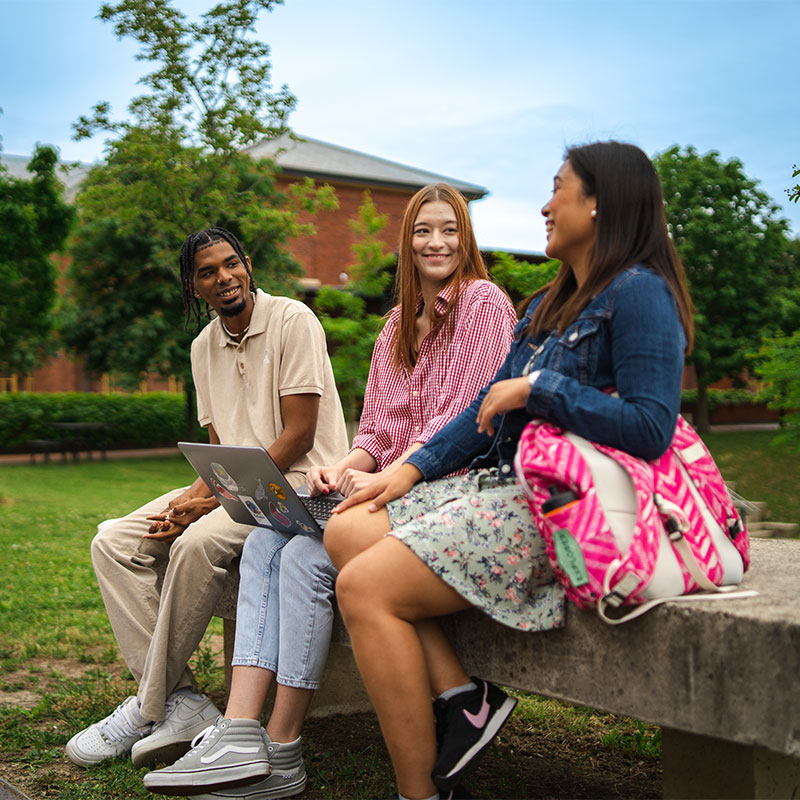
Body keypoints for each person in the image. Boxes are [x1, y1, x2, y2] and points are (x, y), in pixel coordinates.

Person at [324, 141, 695, 800]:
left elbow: (650, 429)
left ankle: (422, 792)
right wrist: (405, 474)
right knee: (347, 529)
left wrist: (539, 390)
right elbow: (477, 413)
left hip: (555, 508)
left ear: (598, 203)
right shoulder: (546, 306)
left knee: (365, 587)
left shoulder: (640, 294)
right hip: (495, 488)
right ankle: (464, 698)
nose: (546, 205)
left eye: (559, 189)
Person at [141, 183, 518, 799]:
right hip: (385, 489)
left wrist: (379, 476)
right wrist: (345, 467)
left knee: (301, 553)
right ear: (407, 240)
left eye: (450, 229)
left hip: (442, 490)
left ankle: (273, 744)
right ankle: (258, 740)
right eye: (423, 230)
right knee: (274, 543)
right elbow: (378, 426)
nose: (437, 242)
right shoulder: (397, 323)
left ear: (466, 236)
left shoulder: (482, 303)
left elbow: (464, 422)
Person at [65, 227, 349, 772]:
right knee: (115, 540)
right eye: (207, 272)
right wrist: (196, 495)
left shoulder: (294, 319)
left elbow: (299, 436)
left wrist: (215, 503)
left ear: (247, 265)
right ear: (194, 287)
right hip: (236, 484)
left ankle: (147, 706)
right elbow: (220, 449)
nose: (223, 278)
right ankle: (184, 702)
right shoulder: (202, 347)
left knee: (196, 542)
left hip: (299, 486)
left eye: (229, 264)